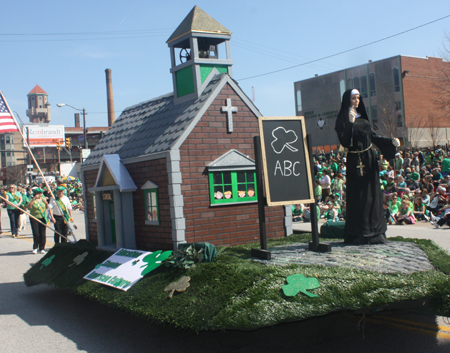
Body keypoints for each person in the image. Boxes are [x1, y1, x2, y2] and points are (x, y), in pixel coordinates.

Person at [335, 89, 399, 244]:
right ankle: (358, 233)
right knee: (359, 196)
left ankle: (376, 232)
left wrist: (391, 142)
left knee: (372, 195)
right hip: (355, 159)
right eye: (353, 98)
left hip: (369, 158)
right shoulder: (343, 119)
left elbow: (373, 137)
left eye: (358, 98)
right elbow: (345, 142)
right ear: (347, 100)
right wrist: (350, 124)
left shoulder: (363, 117)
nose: (356, 101)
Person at [27, 188, 54, 254]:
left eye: (41, 193)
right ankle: (35, 247)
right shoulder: (32, 199)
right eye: (39, 193)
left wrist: (46, 203)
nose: (40, 195)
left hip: (42, 217)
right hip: (34, 218)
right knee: (36, 233)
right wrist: (33, 199)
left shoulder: (43, 200)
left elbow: (48, 208)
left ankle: (42, 248)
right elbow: (29, 207)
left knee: (42, 233)